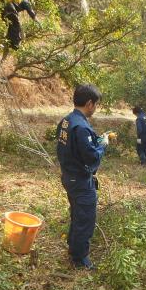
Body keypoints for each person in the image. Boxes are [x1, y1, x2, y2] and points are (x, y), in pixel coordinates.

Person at [56, 84, 110, 270]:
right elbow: (92, 156)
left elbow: (75, 147)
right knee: (85, 218)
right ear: (89, 103)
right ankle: (80, 259)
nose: (95, 108)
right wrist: (103, 145)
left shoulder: (66, 121)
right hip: (79, 180)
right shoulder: (80, 127)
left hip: (68, 176)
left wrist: (97, 139)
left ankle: (73, 247)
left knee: (77, 214)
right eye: (96, 104)